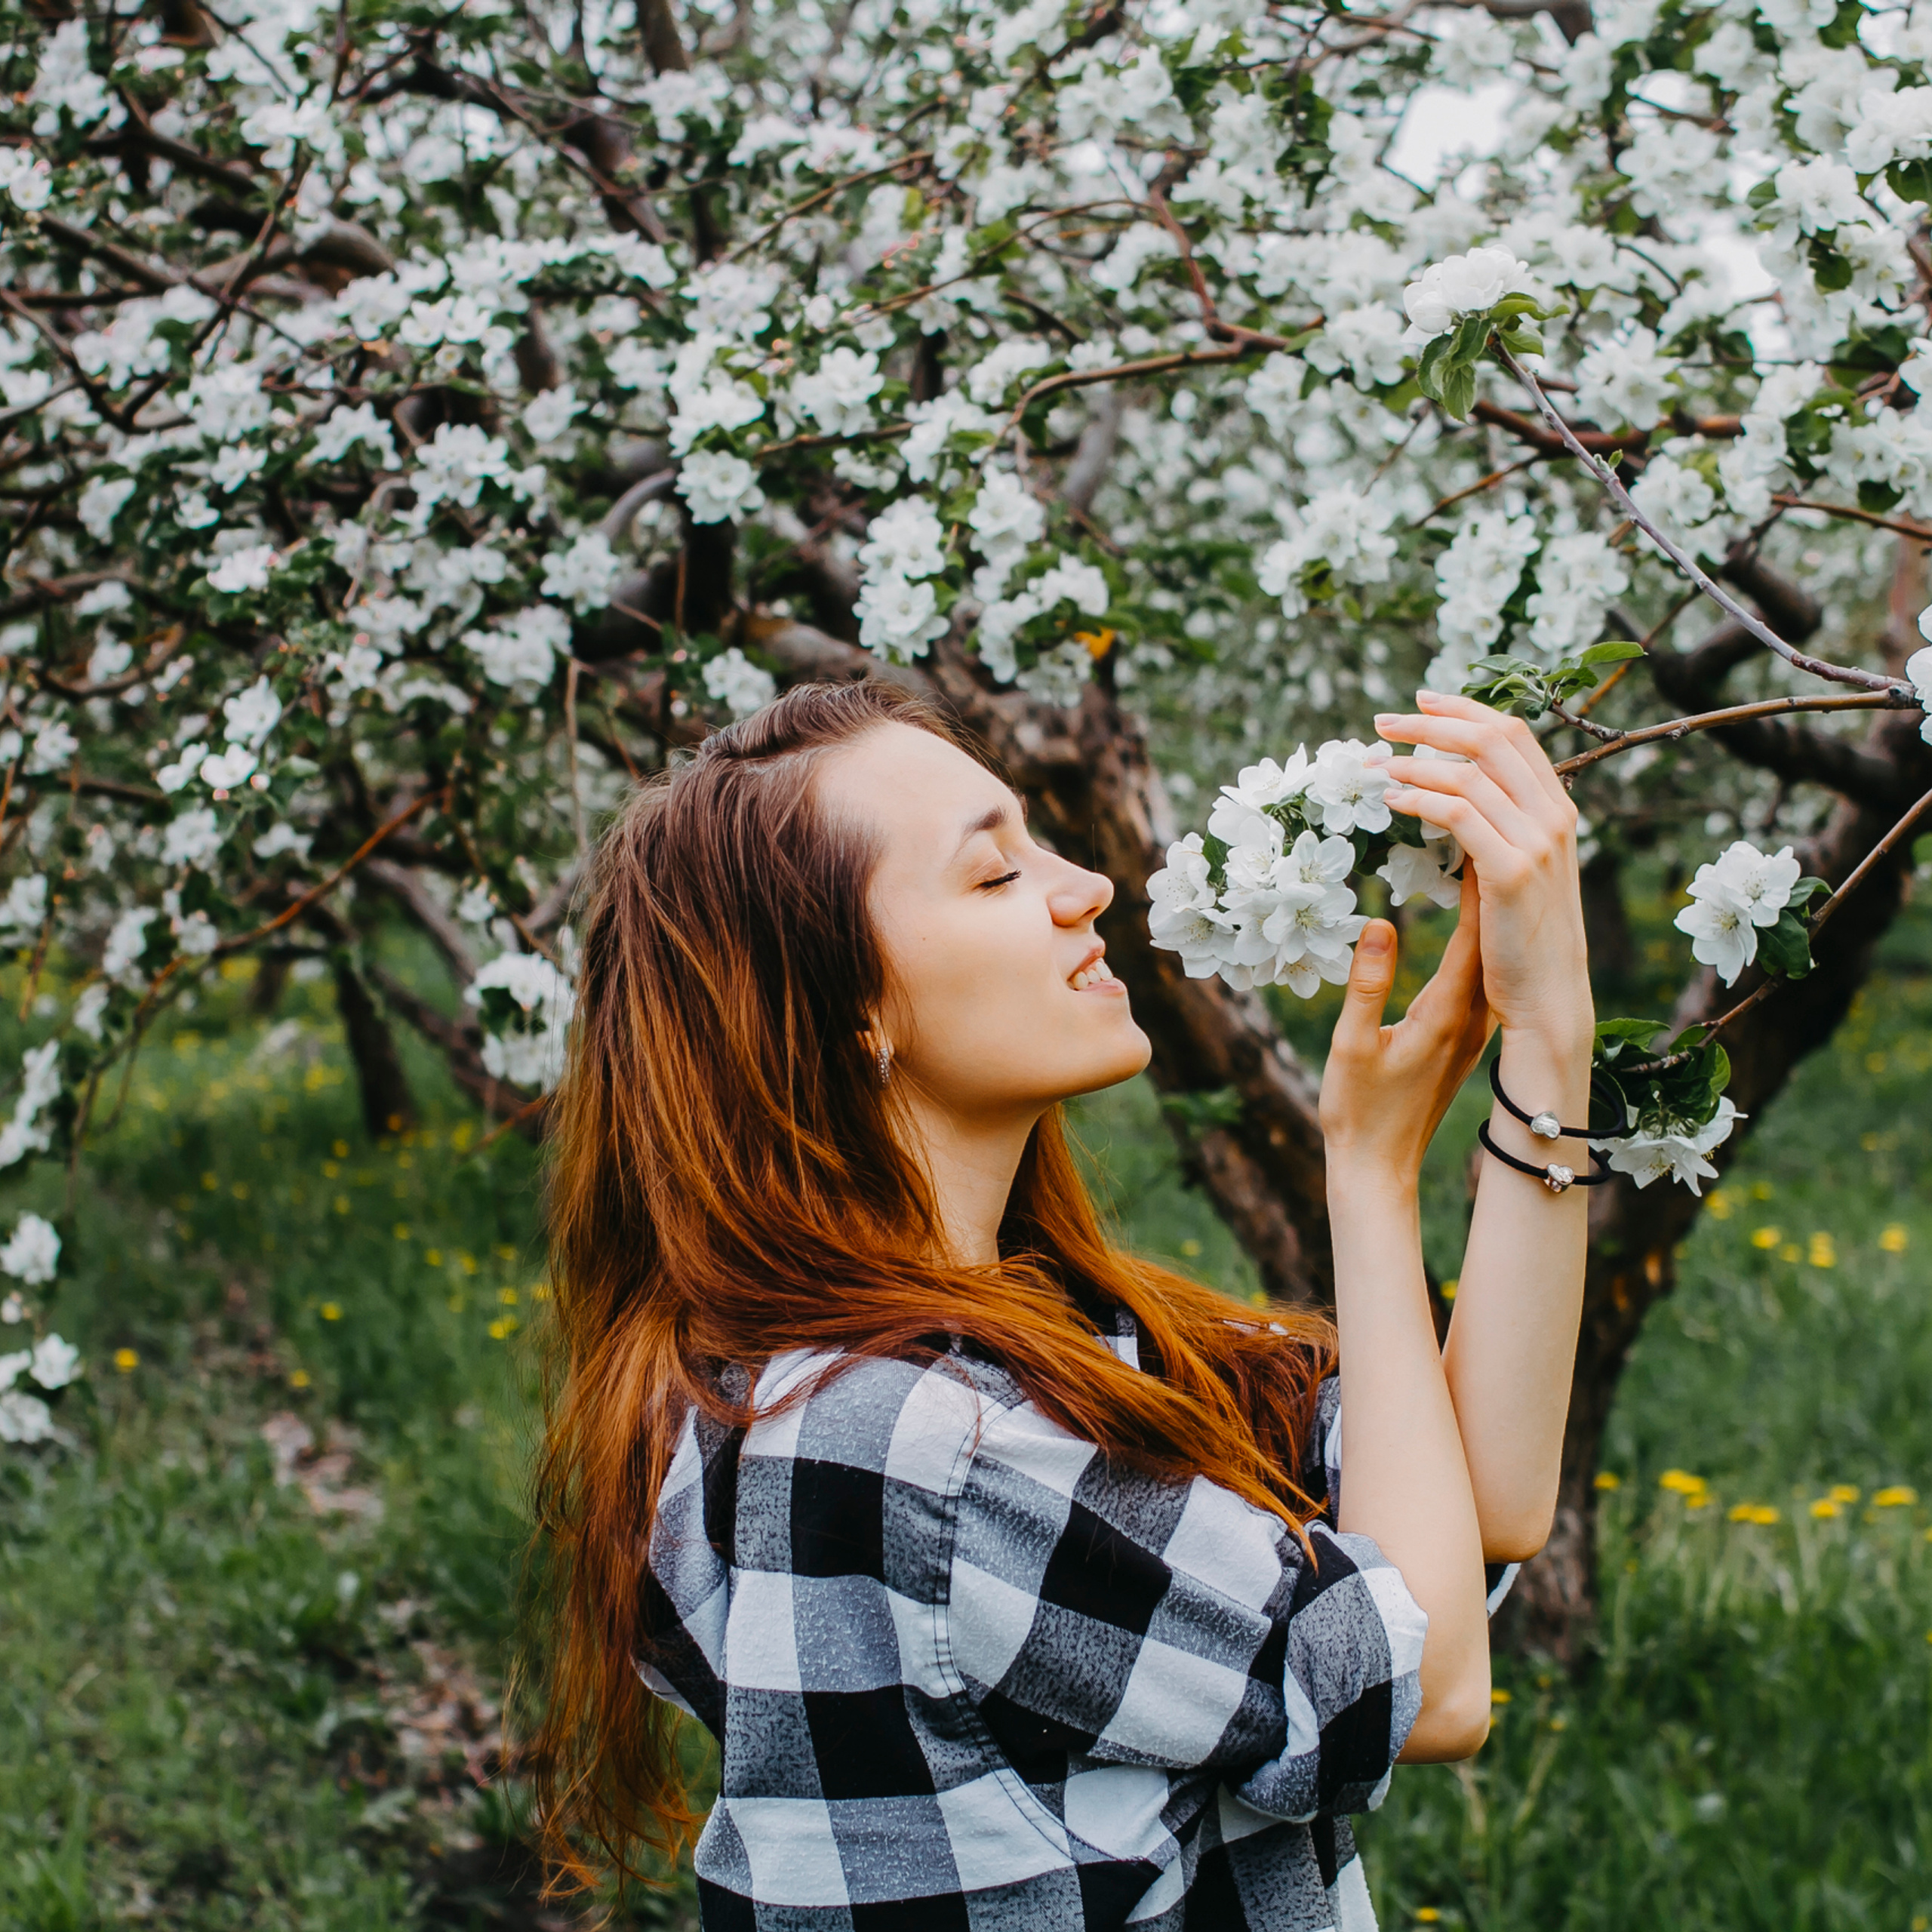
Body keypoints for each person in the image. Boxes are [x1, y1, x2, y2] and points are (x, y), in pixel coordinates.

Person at [531, 678, 1593, 1928]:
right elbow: (1435, 1685)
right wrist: (1367, 1175)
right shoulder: (911, 1444)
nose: (1084, 883)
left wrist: (1548, 1037)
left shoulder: (1033, 1350)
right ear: (845, 1009)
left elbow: (1482, 1510)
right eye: (993, 876)